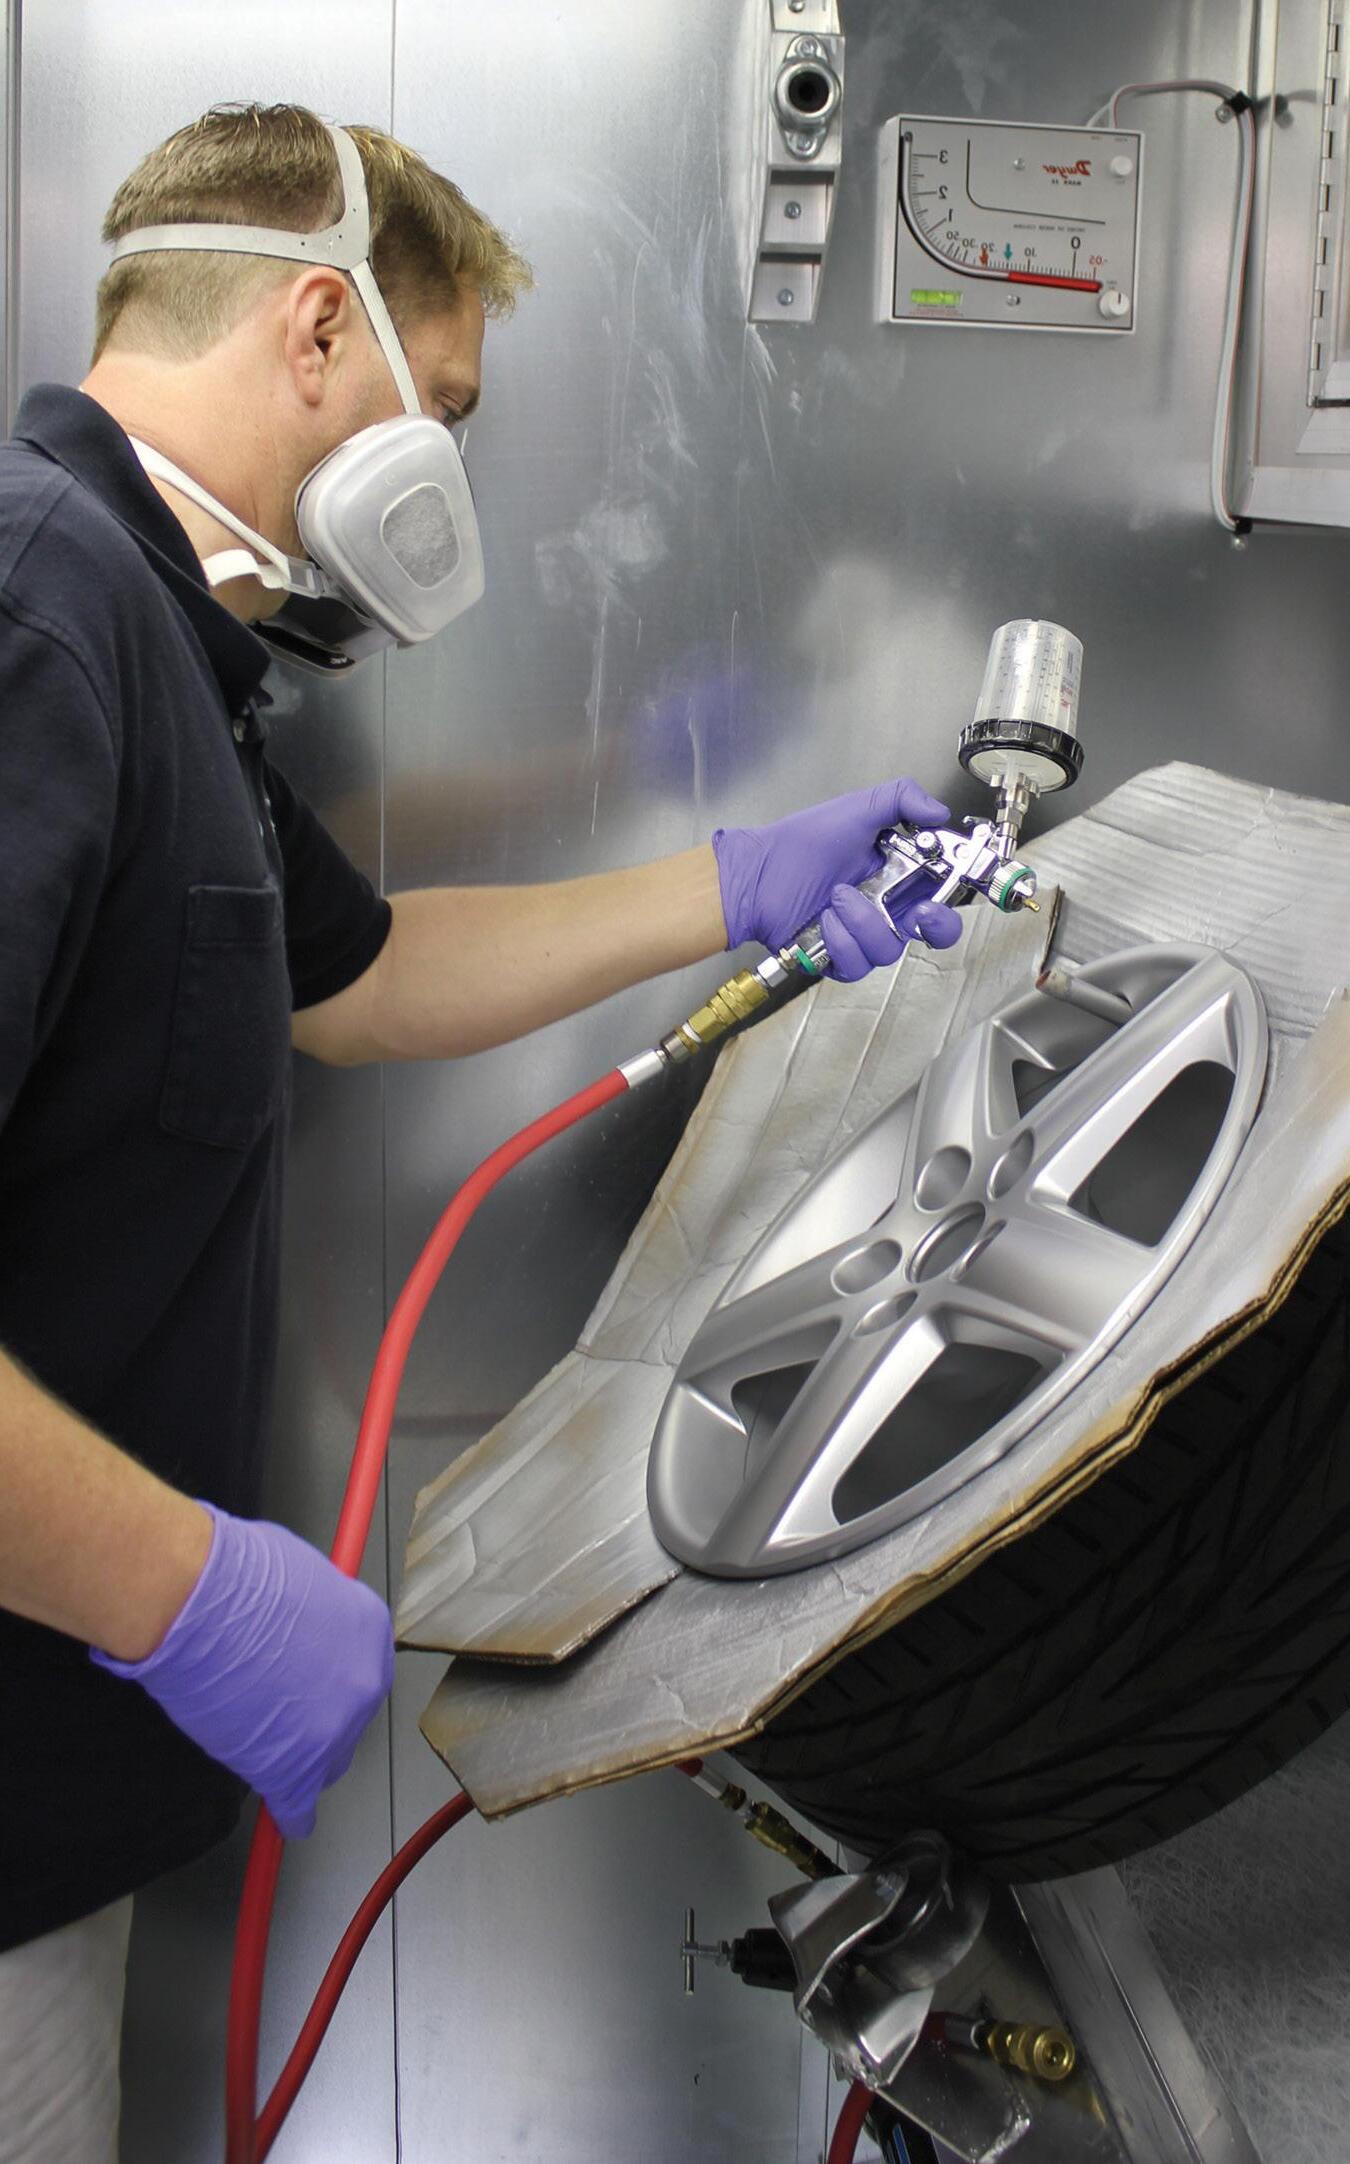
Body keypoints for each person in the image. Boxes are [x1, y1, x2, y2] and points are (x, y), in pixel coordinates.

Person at [0, 101, 963, 2160]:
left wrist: (737, 885)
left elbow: (356, 976)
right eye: (440, 411)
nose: (440, 469)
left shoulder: (155, 632)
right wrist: (184, 1587)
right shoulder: (37, 615)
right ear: (315, 330)